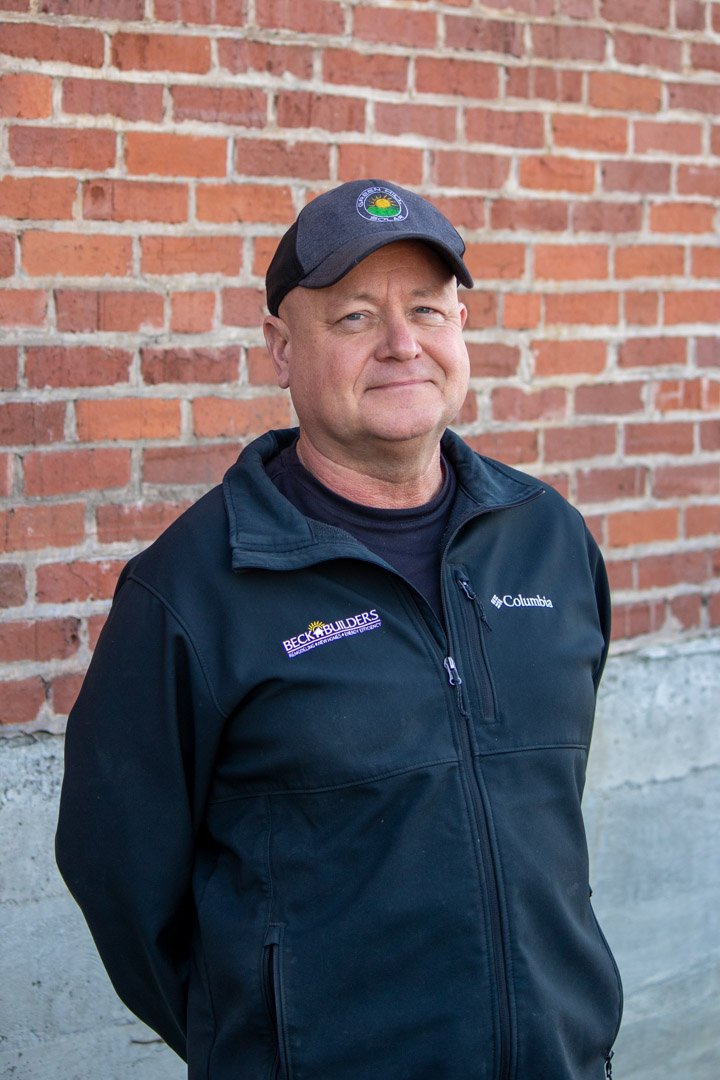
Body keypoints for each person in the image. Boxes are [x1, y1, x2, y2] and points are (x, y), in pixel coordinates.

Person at [56, 179, 622, 1080]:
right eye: (356, 317)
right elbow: (121, 882)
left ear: (462, 327)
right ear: (282, 349)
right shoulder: (190, 592)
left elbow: (537, 811)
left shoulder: (548, 540)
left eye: (428, 311)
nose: (404, 345)